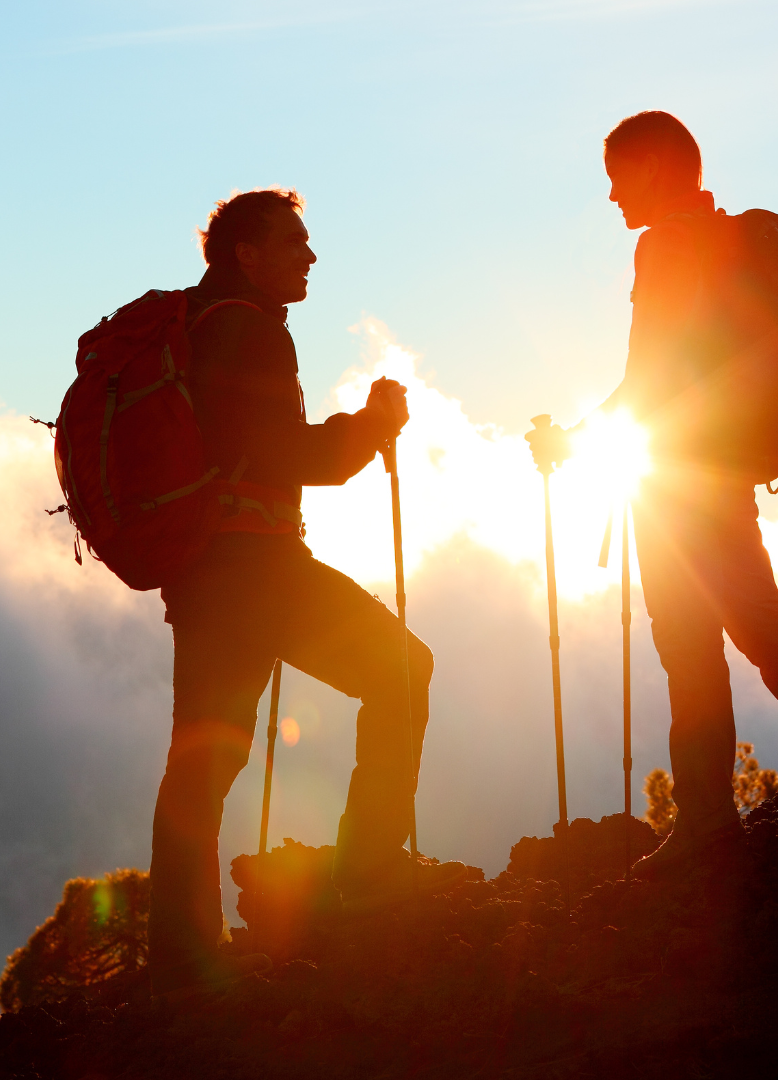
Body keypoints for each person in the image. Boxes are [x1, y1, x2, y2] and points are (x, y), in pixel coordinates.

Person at [527, 112, 778, 879]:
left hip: (681, 480)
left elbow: (650, 376)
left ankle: (753, 808)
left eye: (617, 176)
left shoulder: (667, 245)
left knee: (709, 641)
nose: (610, 195)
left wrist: (571, 441)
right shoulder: (724, 242)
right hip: (718, 467)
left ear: (652, 168)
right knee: (745, 630)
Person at [150, 188, 469, 998]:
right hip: (256, 570)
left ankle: (181, 955)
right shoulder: (248, 331)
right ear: (247, 254)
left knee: (204, 758)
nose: (310, 257)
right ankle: (367, 877)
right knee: (402, 670)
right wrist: (371, 425)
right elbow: (294, 457)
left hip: (205, 575)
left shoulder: (198, 326)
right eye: (293, 242)